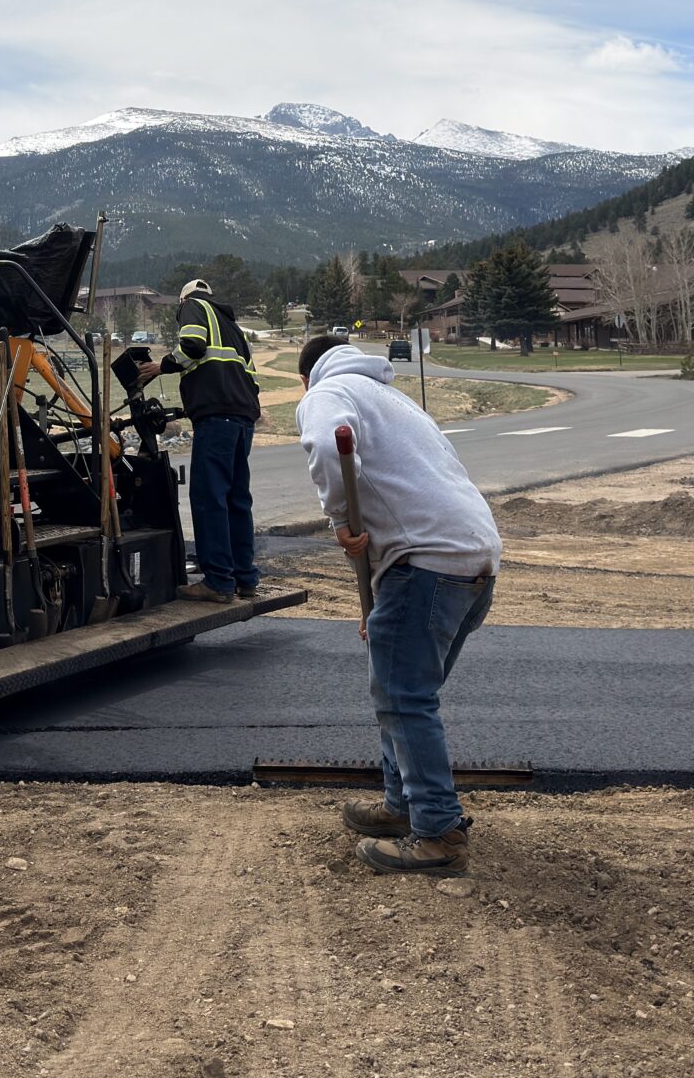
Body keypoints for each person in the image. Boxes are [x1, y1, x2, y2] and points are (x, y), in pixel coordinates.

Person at [294, 332, 503, 877]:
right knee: (402, 691)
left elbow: (327, 445)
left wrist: (341, 520)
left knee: (404, 697)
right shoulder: (393, 399)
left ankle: (438, 833)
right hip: (474, 559)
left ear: (305, 377)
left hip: (427, 564)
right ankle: (401, 804)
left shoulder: (327, 392)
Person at [137, 278, 263, 601]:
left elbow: (193, 346)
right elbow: (247, 378)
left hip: (217, 419)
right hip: (243, 418)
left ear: (182, 301)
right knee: (237, 498)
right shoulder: (233, 328)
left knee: (209, 497)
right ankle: (245, 578)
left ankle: (218, 581)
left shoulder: (193, 306)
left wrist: (160, 367)